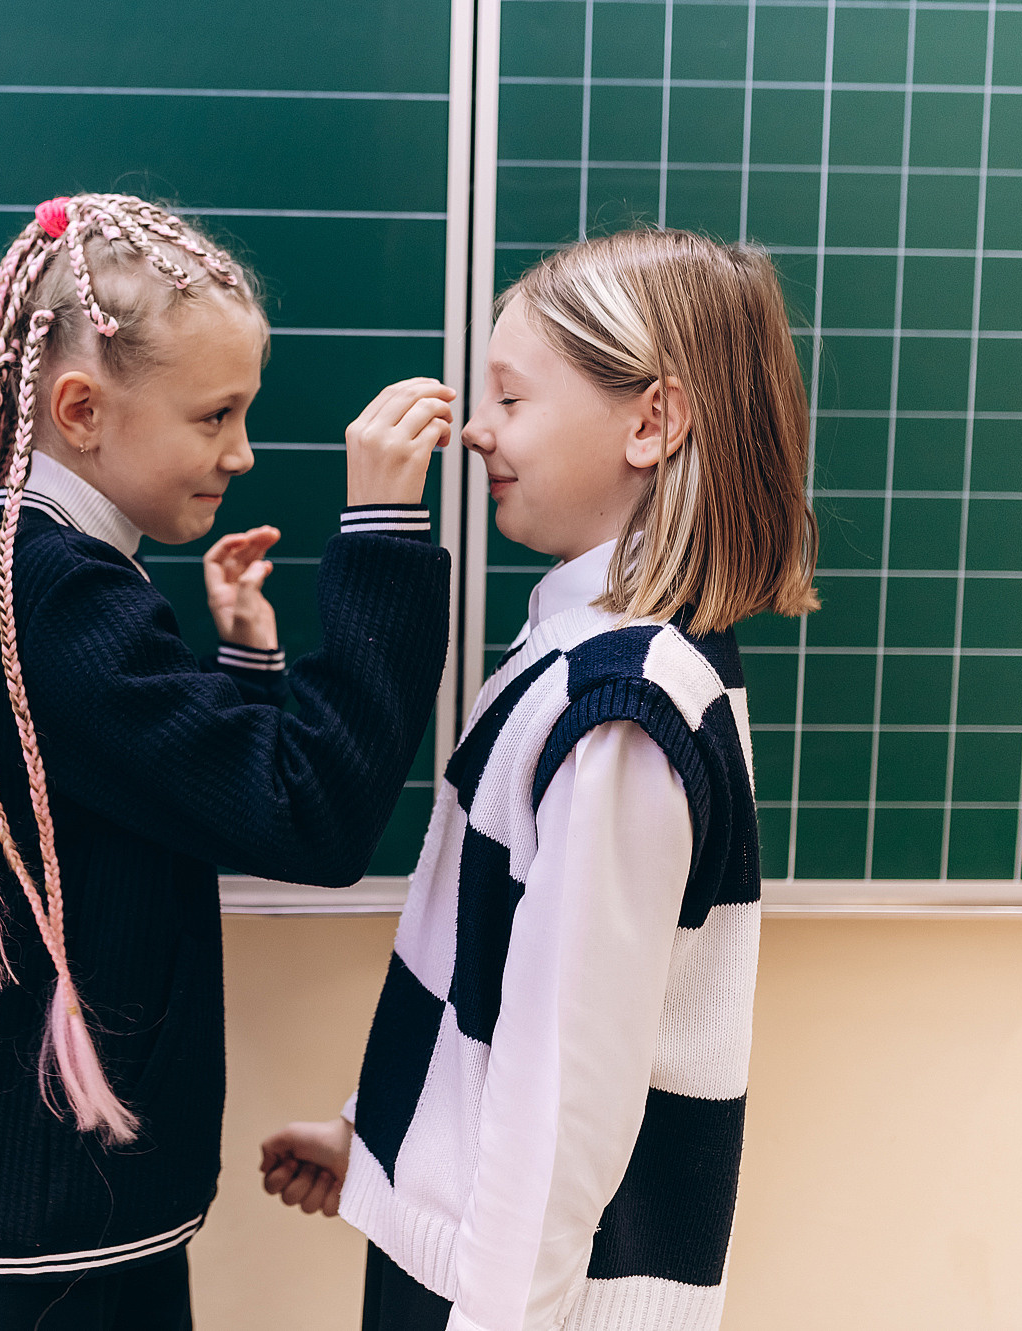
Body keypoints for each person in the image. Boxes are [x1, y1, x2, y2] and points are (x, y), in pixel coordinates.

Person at [0, 192, 455, 1329]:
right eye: (215, 414)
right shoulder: (62, 592)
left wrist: (243, 664)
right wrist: (383, 538)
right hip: (54, 1218)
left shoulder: (15, 558)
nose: (242, 452)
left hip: (18, 1194)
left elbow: (168, 796)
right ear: (81, 410)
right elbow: (308, 819)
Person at [258, 227, 820, 1331]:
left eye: (509, 399)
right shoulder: (573, 655)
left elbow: (563, 1086)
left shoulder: (622, 710)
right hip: (475, 1258)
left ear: (650, 421)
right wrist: (387, 1133)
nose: (474, 429)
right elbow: (503, 979)